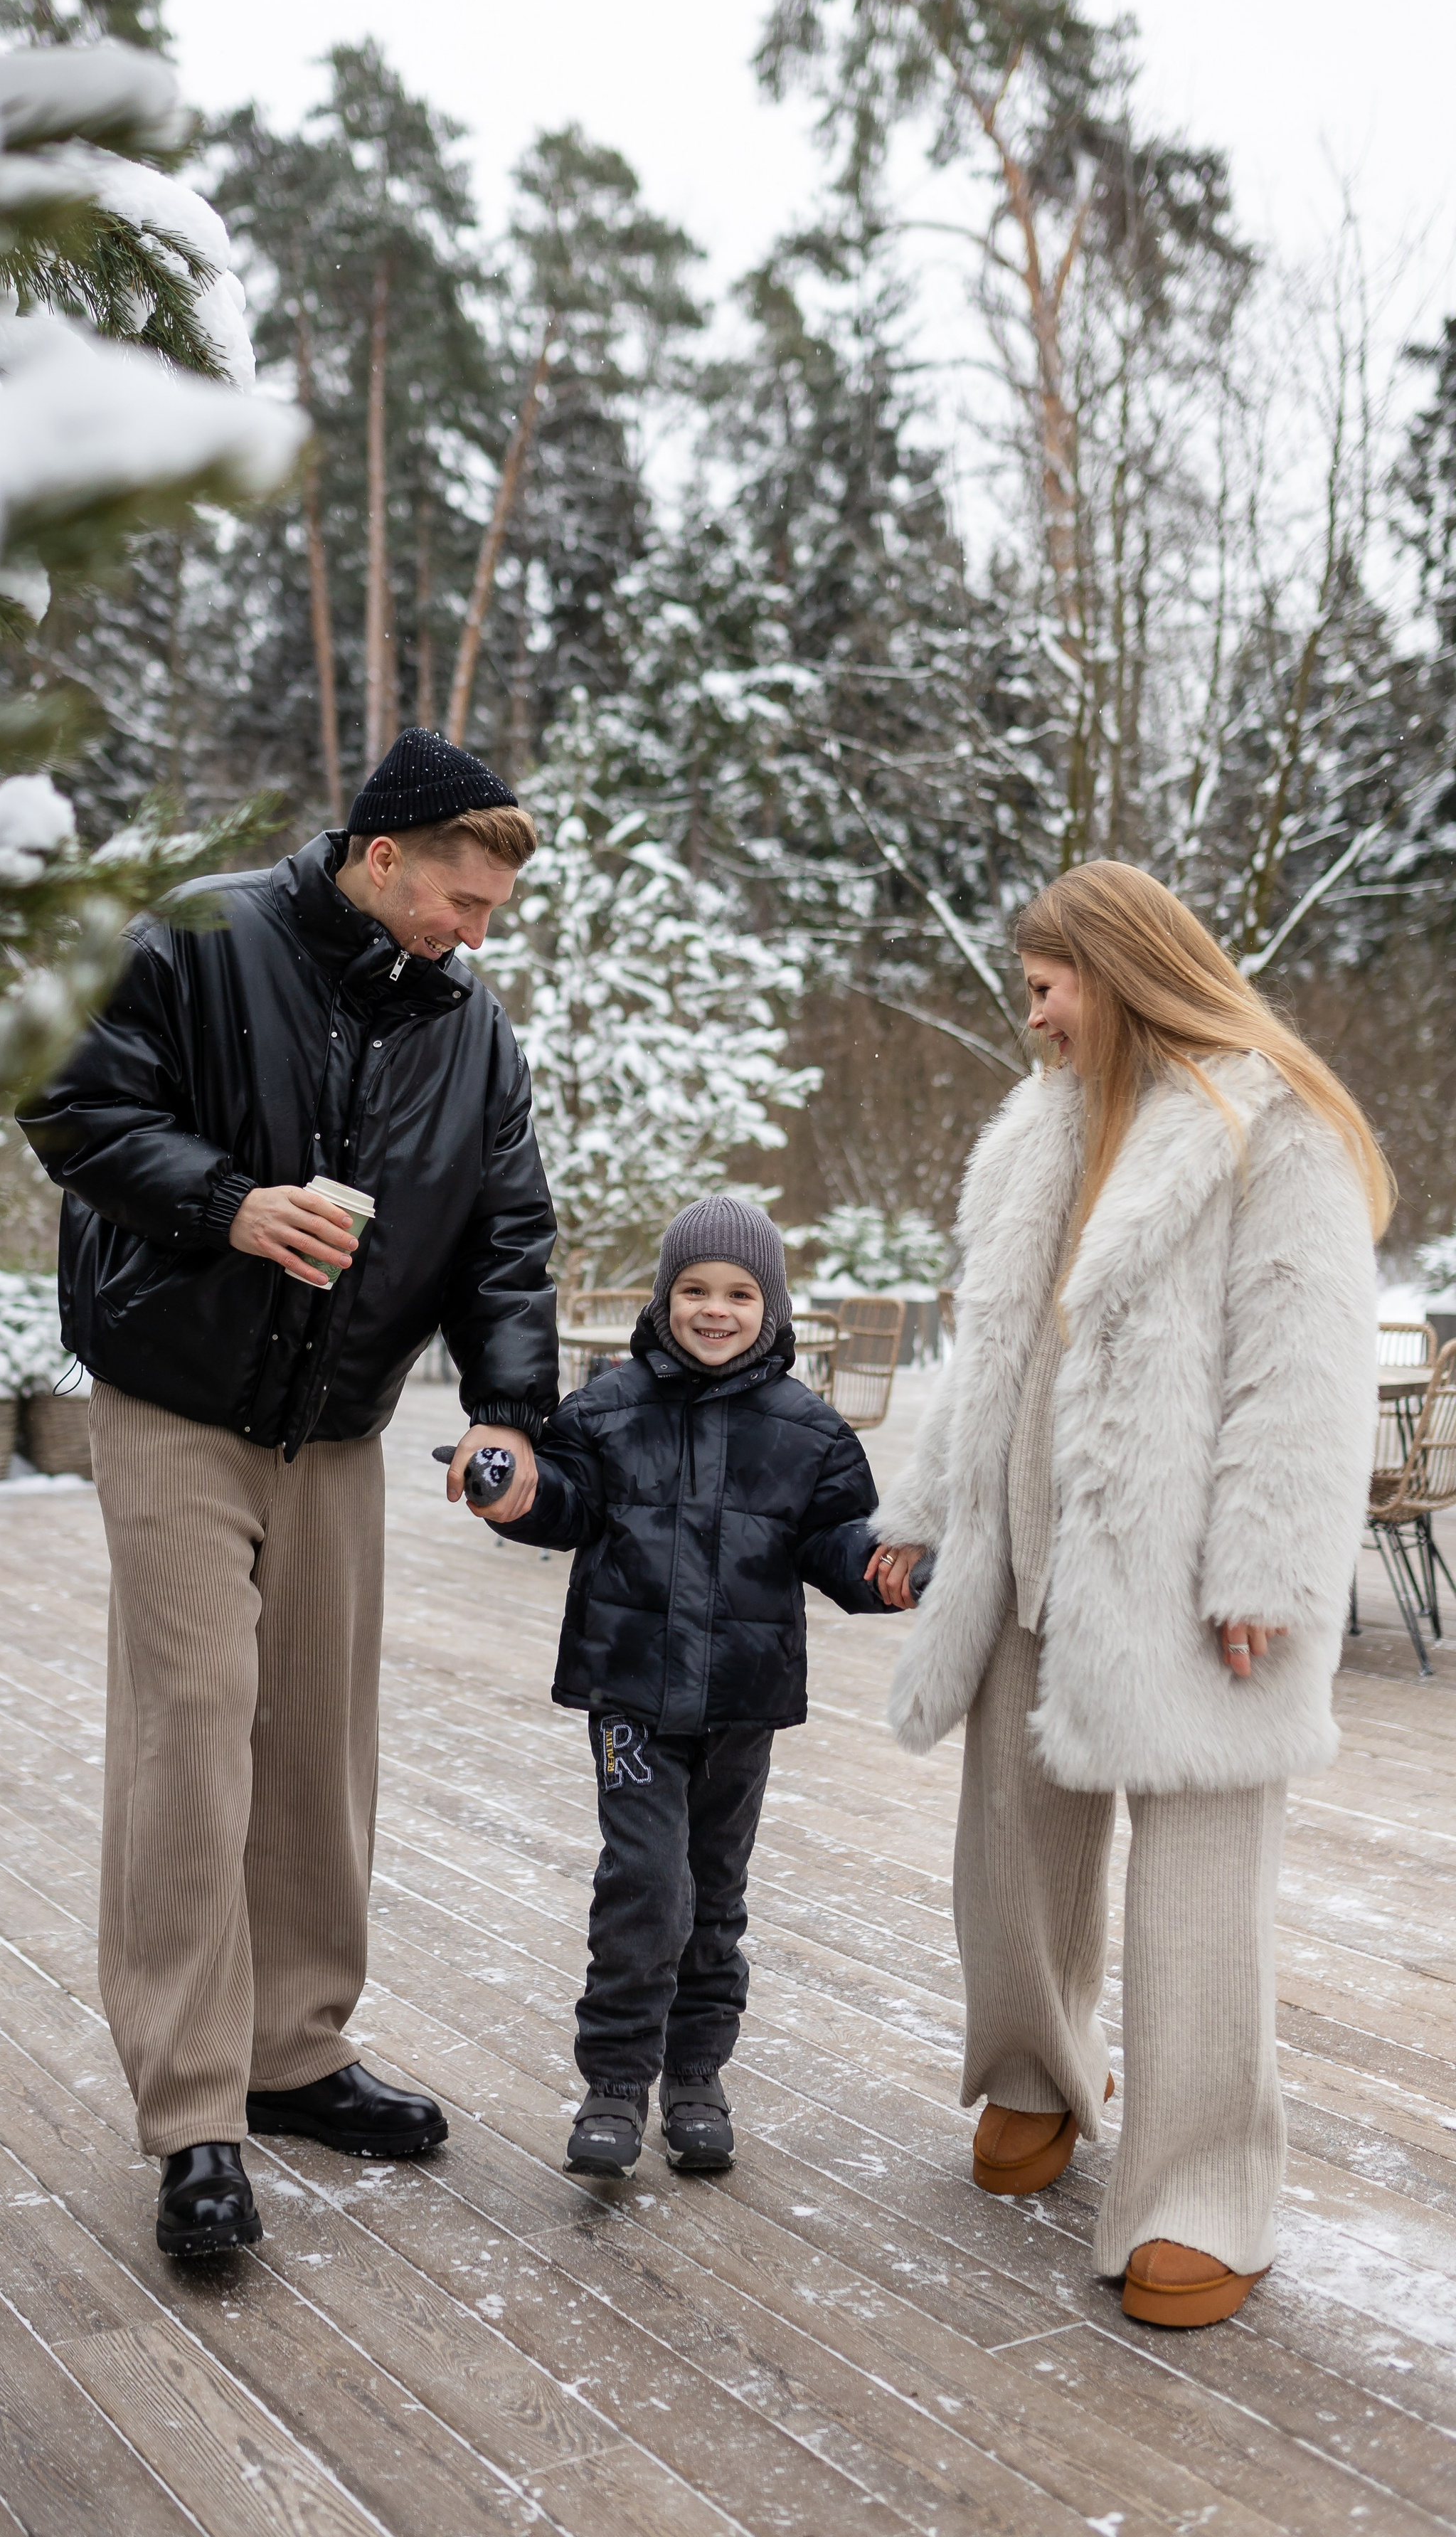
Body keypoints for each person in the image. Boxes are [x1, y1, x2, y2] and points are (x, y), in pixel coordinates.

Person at [20, 729, 558, 2258]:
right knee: (194, 1732)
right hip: (177, 1403)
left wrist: (512, 1411)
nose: (471, 932)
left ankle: (296, 2053)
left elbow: (505, 1234)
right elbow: (67, 1109)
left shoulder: (471, 1031)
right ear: (379, 856)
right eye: (457, 899)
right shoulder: (193, 937)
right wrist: (232, 1207)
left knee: (316, 1740)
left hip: (338, 1428)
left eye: (489, 914)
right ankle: (193, 2110)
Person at [867, 861, 1386, 2329]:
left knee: (1201, 1898)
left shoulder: (1271, 1126)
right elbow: (983, 1356)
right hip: (1030, 1561)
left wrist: (1268, 1569)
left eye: (1045, 986)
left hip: (1197, 1580)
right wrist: (922, 1506)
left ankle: (1201, 2187)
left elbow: (1305, 1370)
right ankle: (1033, 2073)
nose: (1028, 1015)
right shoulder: (1034, 1132)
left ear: (1121, 968)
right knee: (1010, 1852)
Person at [467, 1196, 886, 2177]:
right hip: (634, 1696)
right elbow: (561, 1499)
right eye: (693, 1289)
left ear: (771, 1309)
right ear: (663, 1300)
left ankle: (696, 2074)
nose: (715, 1309)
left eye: (740, 1293)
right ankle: (615, 2082)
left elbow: (842, 1542)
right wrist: (514, 1495)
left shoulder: (811, 1432)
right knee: (646, 1886)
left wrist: (889, 1567)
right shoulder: (608, 1411)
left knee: (715, 1892)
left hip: (744, 1697)